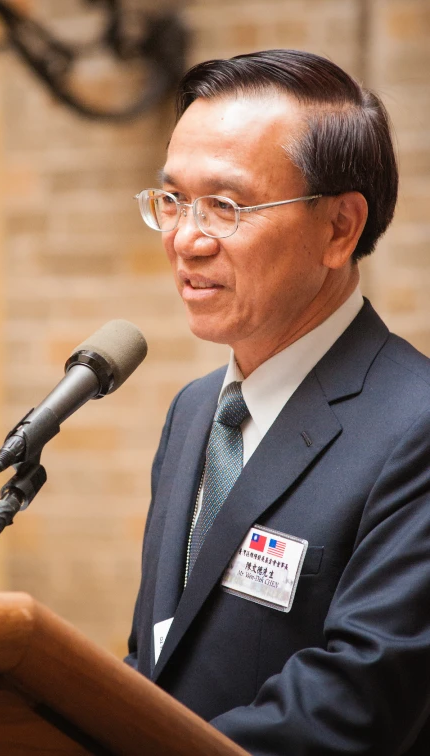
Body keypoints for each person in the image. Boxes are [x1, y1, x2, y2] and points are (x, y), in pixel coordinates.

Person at [126, 49, 430, 755]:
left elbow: (355, 702)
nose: (185, 239)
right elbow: (159, 658)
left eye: (225, 207)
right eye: (171, 200)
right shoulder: (195, 412)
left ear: (339, 230)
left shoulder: (413, 426)